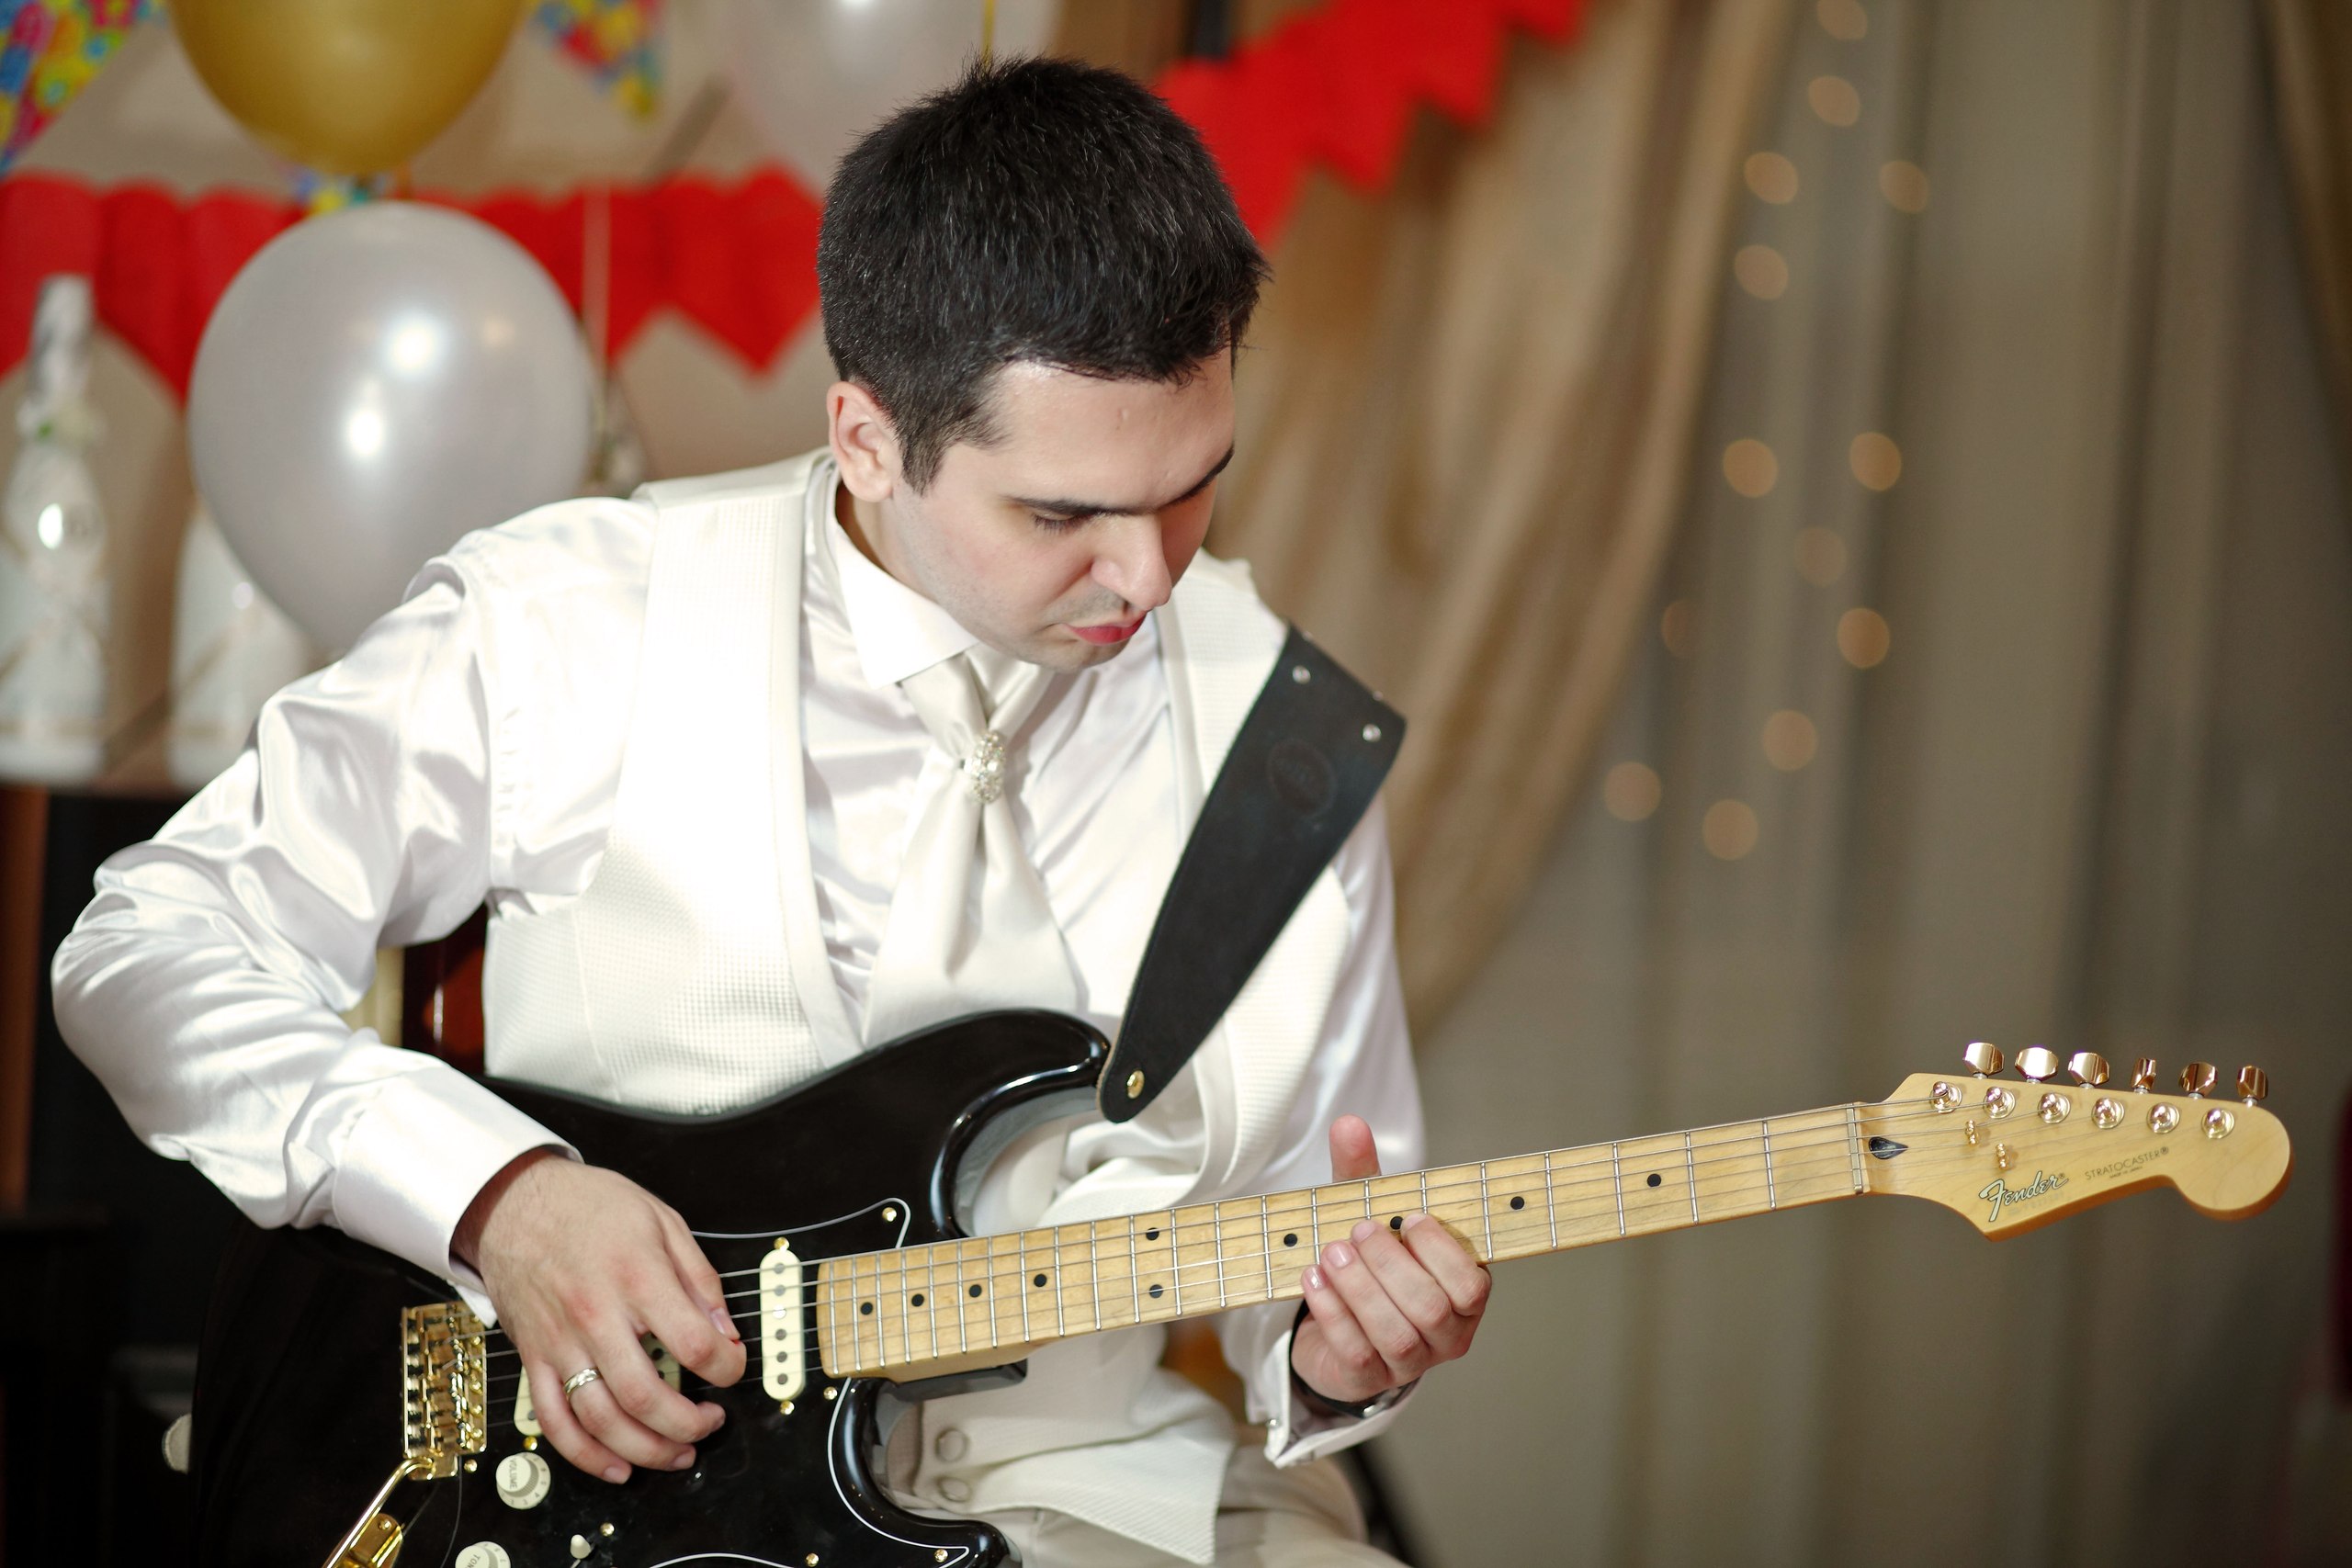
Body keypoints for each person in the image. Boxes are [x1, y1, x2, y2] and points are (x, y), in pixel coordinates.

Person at [51, 56, 1487, 1567]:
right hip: (607, 1501)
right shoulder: (565, 623)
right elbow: (145, 944)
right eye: (1062, 514)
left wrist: (1337, 1349)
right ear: (867, 438)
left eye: (1194, 486)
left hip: (1100, 1493)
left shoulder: (1291, 742)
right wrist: (499, 1200)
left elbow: (1305, 1225)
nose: (1146, 575)